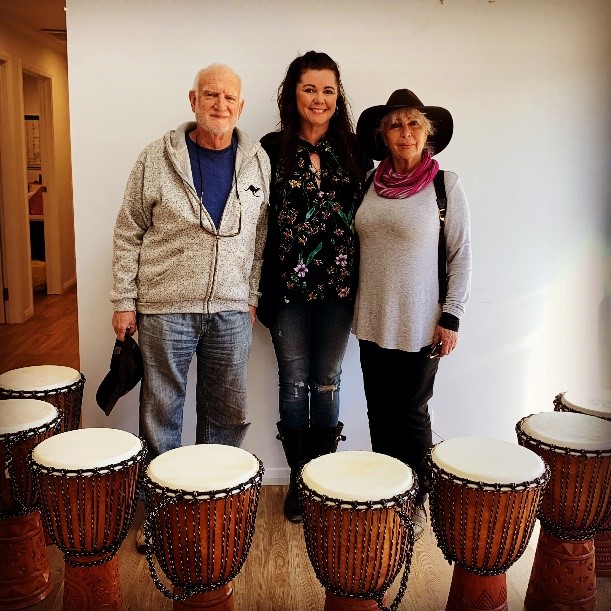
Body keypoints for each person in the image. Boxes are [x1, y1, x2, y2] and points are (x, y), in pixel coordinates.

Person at [111, 63, 270, 458]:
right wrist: (123, 301)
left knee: (227, 414)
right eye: (211, 94)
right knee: (161, 412)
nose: (220, 104)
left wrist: (251, 295)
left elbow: (261, 234)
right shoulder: (155, 158)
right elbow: (128, 230)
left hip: (232, 310)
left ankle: (211, 497)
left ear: (241, 105)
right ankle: (166, 505)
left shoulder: (258, 161)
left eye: (229, 97)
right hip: (165, 308)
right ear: (193, 100)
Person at [259, 51, 372, 522]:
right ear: (292, 94)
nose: (319, 98)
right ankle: (300, 481)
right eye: (309, 89)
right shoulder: (268, 147)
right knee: (293, 381)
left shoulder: (356, 148)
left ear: (338, 95)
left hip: (341, 287)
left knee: (327, 381)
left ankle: (324, 479)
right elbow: (255, 219)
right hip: (285, 288)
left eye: (328, 90)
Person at [354, 88, 472, 538]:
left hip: (422, 322)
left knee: (411, 413)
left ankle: (416, 498)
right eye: (396, 125)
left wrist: (452, 315)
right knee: (379, 413)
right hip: (371, 319)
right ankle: (388, 489)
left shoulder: (446, 185)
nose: (405, 132)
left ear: (428, 133)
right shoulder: (369, 182)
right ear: (384, 135)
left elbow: (461, 254)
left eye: (414, 124)